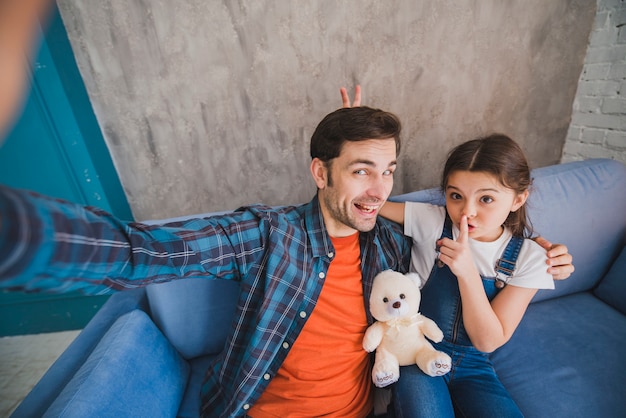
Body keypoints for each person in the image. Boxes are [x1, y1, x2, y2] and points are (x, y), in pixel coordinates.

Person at [0, 5, 574, 414]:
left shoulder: (393, 243)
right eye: (360, 171)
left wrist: (538, 246)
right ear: (319, 172)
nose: (379, 190)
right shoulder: (269, 234)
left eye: (389, 171)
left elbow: (475, 233)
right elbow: (144, 251)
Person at [378, 134, 554, 417]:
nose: (467, 212)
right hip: (416, 348)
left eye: (486, 199)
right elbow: (369, 203)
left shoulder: (530, 258)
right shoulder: (432, 221)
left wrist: (467, 272)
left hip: (474, 365)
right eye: (456, 196)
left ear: (518, 198)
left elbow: (487, 341)